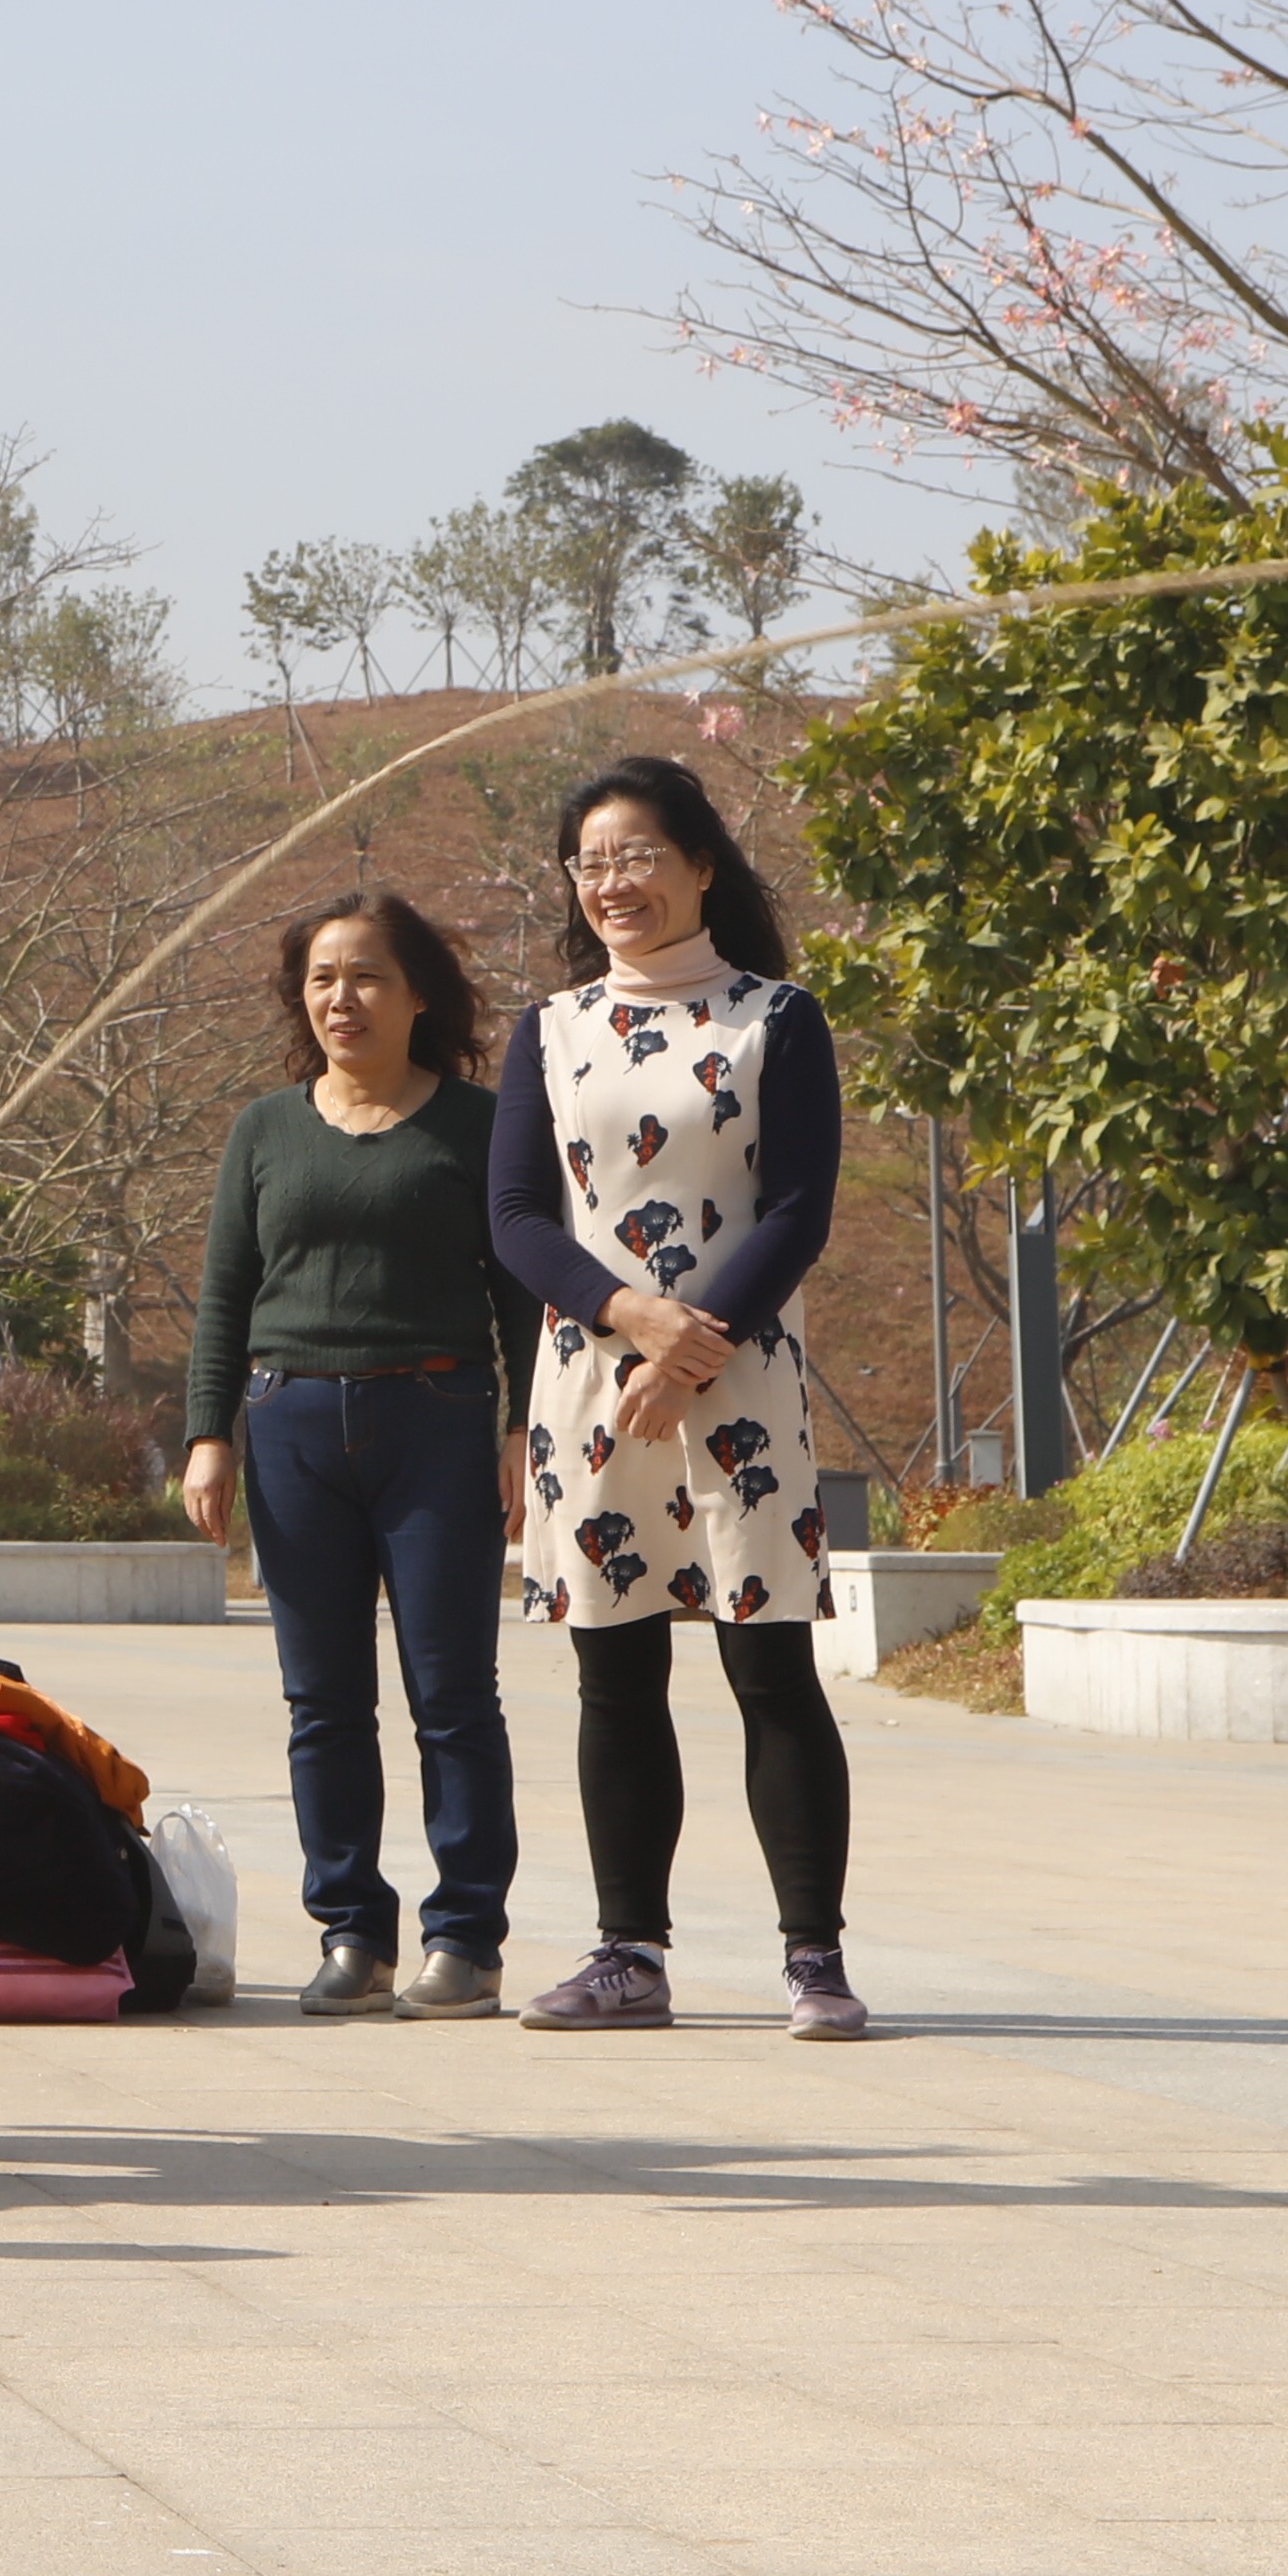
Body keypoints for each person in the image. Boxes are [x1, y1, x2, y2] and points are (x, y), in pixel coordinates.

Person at [486, 757, 863, 2042]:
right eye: (590, 861)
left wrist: (693, 1339)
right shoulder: (550, 1027)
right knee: (615, 1671)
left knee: (772, 1664)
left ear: (703, 863)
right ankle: (626, 1951)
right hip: (594, 1378)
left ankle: (814, 1954)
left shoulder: (777, 1017)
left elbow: (799, 1208)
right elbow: (518, 1216)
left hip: (742, 1377)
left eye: (639, 852)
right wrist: (630, 1318)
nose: (613, 881)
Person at [180, 889, 517, 2019]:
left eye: (367, 974)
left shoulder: (477, 1123)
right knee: (321, 1699)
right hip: (288, 1425)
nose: (342, 997)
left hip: (436, 1419)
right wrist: (208, 1433)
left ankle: (465, 1934)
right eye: (322, 977)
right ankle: (350, 1927)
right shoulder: (265, 1128)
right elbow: (226, 1292)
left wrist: (523, 1430)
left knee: (452, 1693)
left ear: (419, 992)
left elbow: (518, 1291)